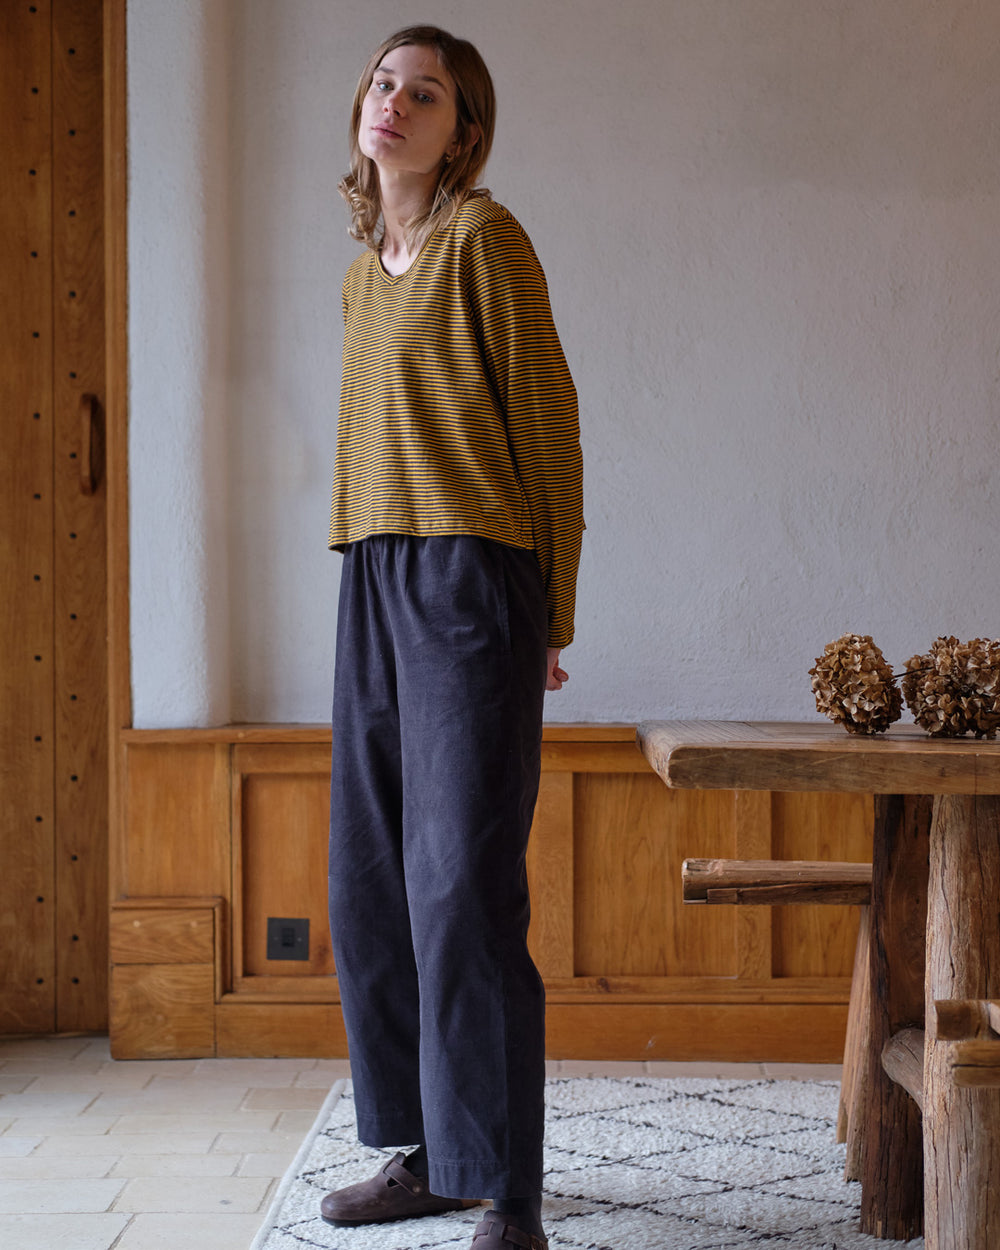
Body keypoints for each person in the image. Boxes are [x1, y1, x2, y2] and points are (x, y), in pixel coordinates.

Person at [322, 25, 583, 1250]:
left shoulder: (486, 239)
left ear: (460, 129)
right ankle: (429, 1154)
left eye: (423, 93)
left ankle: (508, 1191)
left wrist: (550, 610)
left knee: (463, 888)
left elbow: (550, 430)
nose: (394, 102)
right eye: (383, 82)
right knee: (371, 882)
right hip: (371, 575)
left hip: (473, 576)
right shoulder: (360, 272)